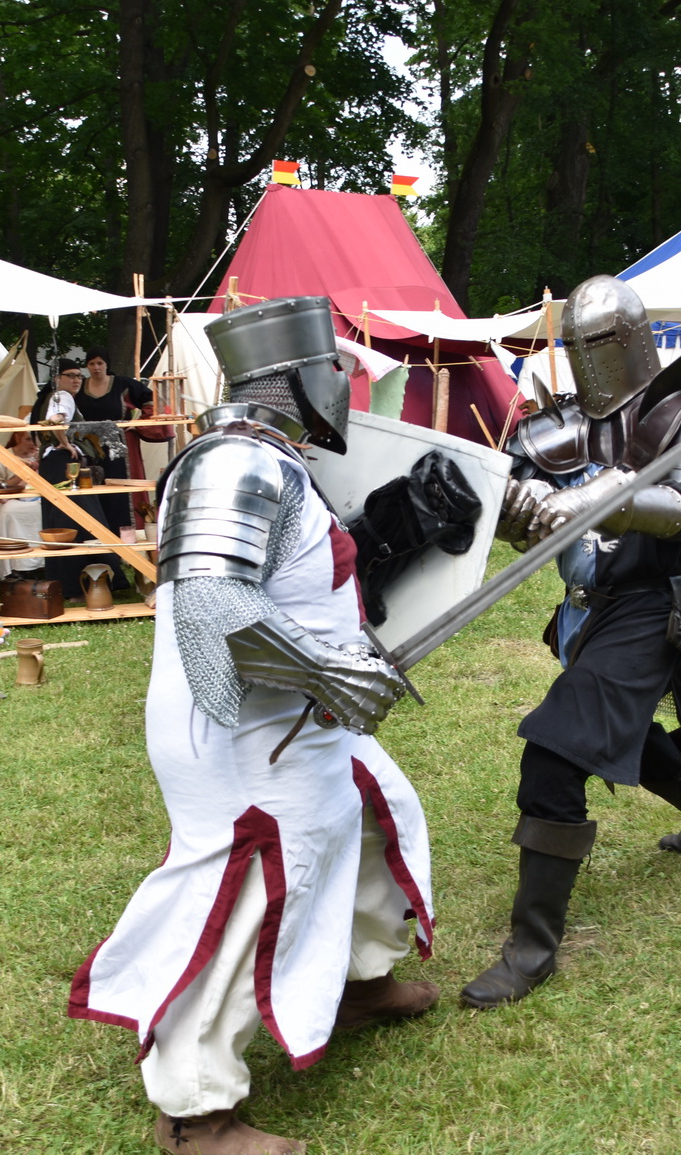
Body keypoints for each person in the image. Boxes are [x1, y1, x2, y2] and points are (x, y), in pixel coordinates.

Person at [68, 297, 437, 1155]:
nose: (344, 388)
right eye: (335, 372)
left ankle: (356, 976)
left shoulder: (272, 458)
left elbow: (298, 581)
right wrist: (329, 671)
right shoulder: (235, 465)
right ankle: (196, 1109)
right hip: (244, 729)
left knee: (375, 807)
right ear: (299, 378)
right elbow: (212, 606)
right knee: (251, 887)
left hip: (300, 719)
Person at [460, 275, 681, 1012]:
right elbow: (506, 502)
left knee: (557, 751)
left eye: (601, 342)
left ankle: (531, 948)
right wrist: (515, 504)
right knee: (619, 732)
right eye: (579, 344)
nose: (591, 357)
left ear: (632, 339)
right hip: (583, 611)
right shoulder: (550, 428)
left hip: (648, 605)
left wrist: (596, 499)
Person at [77, 347, 176, 539]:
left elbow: (153, 402)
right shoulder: (79, 387)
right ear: (87, 366)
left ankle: (130, 537)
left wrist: (138, 426)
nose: (96, 368)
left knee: (123, 491)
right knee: (95, 488)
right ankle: (98, 537)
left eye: (100, 363)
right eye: (91, 364)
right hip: (91, 447)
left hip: (121, 447)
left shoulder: (123, 384)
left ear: (107, 365)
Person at [0, 431, 43, 578]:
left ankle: (44, 565)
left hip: (38, 499)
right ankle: (18, 567)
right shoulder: (1, 458)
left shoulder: (43, 456)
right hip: (10, 500)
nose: (33, 445)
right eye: (29, 440)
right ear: (17, 438)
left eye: (36, 441)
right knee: (11, 511)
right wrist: (24, 472)